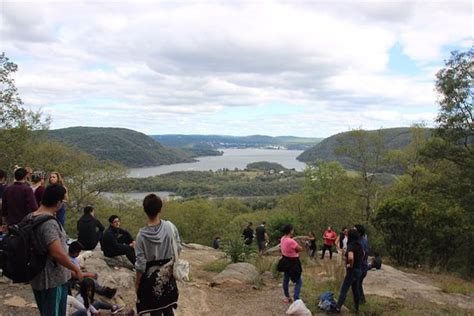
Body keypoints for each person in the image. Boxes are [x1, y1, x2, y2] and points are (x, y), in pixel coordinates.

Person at [28, 184, 83, 316]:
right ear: (57, 202)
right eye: (62, 201)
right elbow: (57, 253)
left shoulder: (30, 217)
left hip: (37, 276)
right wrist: (75, 269)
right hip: (52, 280)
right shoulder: (49, 223)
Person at [135, 193, 181, 316]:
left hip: (150, 278)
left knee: (155, 309)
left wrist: (137, 283)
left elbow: (140, 264)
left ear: (145, 210)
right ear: (160, 209)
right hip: (167, 275)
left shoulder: (141, 236)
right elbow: (179, 248)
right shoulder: (170, 227)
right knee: (167, 306)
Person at [334, 228, 364, 313]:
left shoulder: (351, 245)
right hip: (358, 270)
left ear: (350, 236)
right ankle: (357, 309)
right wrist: (358, 261)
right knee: (355, 290)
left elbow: (350, 257)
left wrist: (350, 265)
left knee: (344, 289)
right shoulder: (359, 245)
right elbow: (363, 253)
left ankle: (337, 308)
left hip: (352, 271)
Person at [279, 224, 303, 304]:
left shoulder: (283, 238)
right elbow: (300, 249)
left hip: (285, 260)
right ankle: (296, 298)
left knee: (286, 279)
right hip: (293, 261)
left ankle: (287, 296)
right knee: (298, 280)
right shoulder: (291, 241)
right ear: (290, 230)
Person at [355, 224, 369, 304]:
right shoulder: (363, 240)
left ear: (359, 233)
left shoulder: (361, 242)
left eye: (354, 230)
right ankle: (362, 300)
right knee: (358, 284)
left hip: (361, 267)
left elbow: (361, 255)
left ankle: (359, 301)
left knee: (357, 284)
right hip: (363, 267)